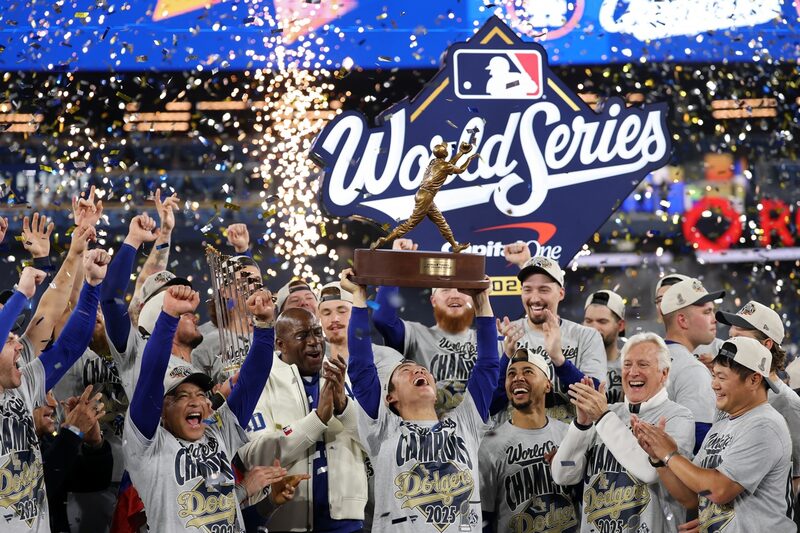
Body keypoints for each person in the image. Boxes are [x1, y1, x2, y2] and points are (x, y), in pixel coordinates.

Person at [342, 269, 500, 532]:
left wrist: (482, 301)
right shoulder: (381, 428)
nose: (419, 370)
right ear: (390, 397)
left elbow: (487, 366)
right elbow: (360, 367)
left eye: (423, 370)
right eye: (405, 371)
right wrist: (359, 297)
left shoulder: (465, 424)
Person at [123, 284, 282, 532]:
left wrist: (263, 326)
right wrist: (168, 316)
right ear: (161, 410)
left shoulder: (216, 431)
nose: (195, 401)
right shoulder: (148, 445)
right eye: (182, 396)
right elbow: (151, 377)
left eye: (199, 393)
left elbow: (253, 380)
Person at [634, 337, 795, 532]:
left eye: (722, 377)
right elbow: (692, 497)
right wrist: (659, 459)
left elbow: (719, 491)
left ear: (754, 379)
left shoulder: (765, 425)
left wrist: (671, 455)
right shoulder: (722, 424)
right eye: (714, 375)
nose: (714, 385)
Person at [0, 250, 108, 532]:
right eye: (10, 339)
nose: (21, 345)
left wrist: (91, 287)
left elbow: (70, 346)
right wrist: (21, 294)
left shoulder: (24, 384)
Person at [236, 305, 367, 532]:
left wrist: (344, 407)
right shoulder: (261, 382)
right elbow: (254, 456)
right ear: (280, 344)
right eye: (302, 335)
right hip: (285, 521)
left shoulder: (341, 376)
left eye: (317, 332)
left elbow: (373, 443)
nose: (314, 341)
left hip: (346, 521)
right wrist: (316, 420)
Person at [551, 333, 695, 532]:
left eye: (643, 364)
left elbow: (650, 471)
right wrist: (582, 425)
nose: (633, 372)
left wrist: (602, 417)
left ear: (664, 373)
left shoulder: (677, 417)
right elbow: (563, 473)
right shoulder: (606, 413)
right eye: (627, 364)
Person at [374, 238, 482, 413]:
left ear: (473, 297)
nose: (455, 295)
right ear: (433, 300)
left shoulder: (491, 342)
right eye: (445, 290)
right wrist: (395, 261)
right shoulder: (416, 335)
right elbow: (382, 319)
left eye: (462, 289)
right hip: (428, 435)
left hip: (481, 437)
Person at [479, 349, 580, 533]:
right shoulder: (489, 446)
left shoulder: (569, 434)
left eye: (528, 371)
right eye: (512, 374)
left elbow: (584, 494)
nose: (518, 378)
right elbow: (484, 519)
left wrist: (565, 464)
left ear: (547, 385)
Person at [497, 256, 606, 423]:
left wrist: (558, 360)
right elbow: (489, 405)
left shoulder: (587, 336)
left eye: (543, 289)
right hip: (516, 445)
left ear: (561, 293)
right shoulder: (506, 335)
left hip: (571, 443)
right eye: (527, 289)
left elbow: (595, 399)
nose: (534, 298)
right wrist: (506, 357)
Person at [716, 300, 800, 494]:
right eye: (731, 338)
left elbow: (796, 478)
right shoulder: (727, 393)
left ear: (766, 344)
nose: (730, 344)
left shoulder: (787, 403)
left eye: (739, 338)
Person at [371, 141, 478, 252]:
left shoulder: (434, 162)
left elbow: (449, 165)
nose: (447, 150)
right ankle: (385, 240)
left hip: (423, 195)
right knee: (410, 224)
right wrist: (469, 159)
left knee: (441, 222)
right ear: (445, 154)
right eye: (446, 150)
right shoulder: (445, 165)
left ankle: (455, 246)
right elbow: (460, 169)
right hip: (426, 196)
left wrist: (460, 153)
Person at [33, 386, 113, 533]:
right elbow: (35, 491)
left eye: (51, 394)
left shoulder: (48, 442)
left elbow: (95, 482)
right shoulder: (6, 447)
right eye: (43, 397)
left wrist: (94, 444)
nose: (54, 403)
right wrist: (72, 433)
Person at [659, 277, 723, 451]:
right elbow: (701, 442)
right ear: (682, 320)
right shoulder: (692, 369)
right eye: (706, 312)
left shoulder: (646, 358)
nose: (714, 318)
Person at [654, 273, 723, 365]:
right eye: (660, 299)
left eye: (672, 297)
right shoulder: (651, 351)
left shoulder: (720, 348)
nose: (664, 304)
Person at [582, 289, 626, 403]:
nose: (593, 328)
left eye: (602, 321)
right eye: (588, 321)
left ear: (620, 325)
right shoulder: (572, 362)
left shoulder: (631, 366)